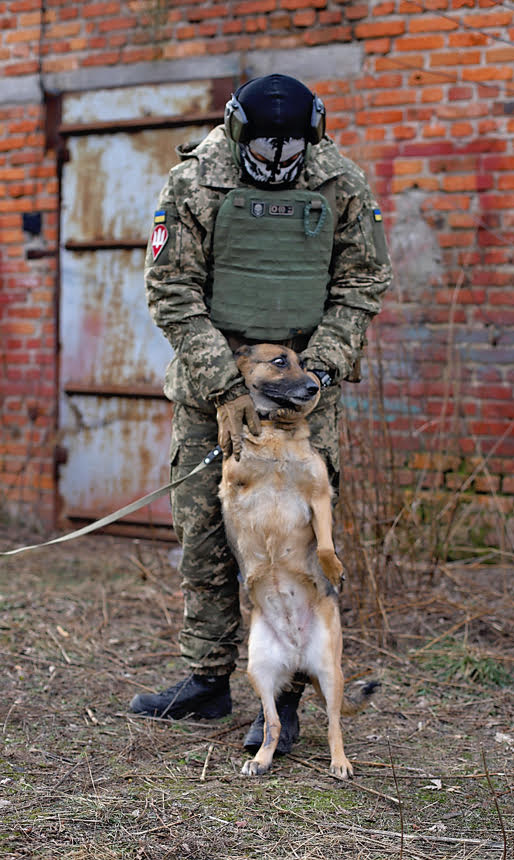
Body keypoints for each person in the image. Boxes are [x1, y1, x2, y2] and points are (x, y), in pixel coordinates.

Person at [130, 74, 392, 755]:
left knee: (296, 546)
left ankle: (282, 701)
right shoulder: (195, 181)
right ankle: (206, 678)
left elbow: (361, 283)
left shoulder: (338, 181)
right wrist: (227, 387)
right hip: (213, 391)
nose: (277, 157)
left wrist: (319, 372)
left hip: (304, 392)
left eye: (291, 145)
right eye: (264, 144)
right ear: (240, 130)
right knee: (208, 538)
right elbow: (171, 288)